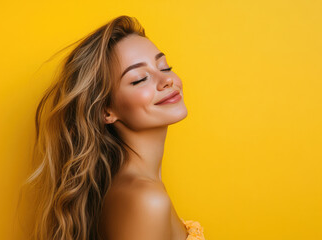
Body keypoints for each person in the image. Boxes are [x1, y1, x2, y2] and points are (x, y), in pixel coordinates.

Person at [21, 15, 206, 240]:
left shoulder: (131, 189)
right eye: (139, 79)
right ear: (106, 111)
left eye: (164, 66)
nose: (166, 80)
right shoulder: (145, 199)